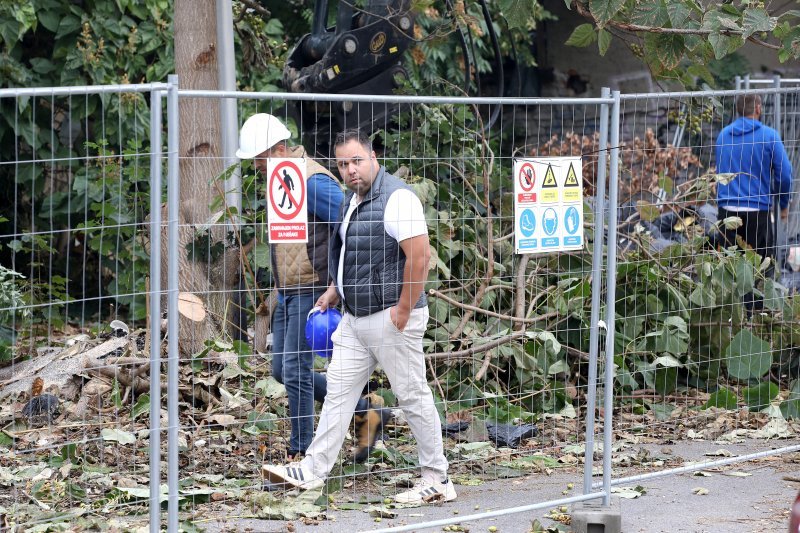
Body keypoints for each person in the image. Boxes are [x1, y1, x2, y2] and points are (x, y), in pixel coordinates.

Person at [262, 129, 456, 504]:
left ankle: (437, 478)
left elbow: (419, 257)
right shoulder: (352, 201)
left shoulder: (397, 197)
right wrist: (336, 289)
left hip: (390, 317)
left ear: (372, 157)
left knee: (412, 395)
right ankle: (313, 470)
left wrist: (402, 310)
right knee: (337, 394)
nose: (350, 170)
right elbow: (355, 254)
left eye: (356, 161)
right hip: (354, 318)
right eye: (343, 164)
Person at [236, 113, 344, 460]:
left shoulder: (311, 181)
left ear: (279, 148)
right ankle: (361, 409)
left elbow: (350, 222)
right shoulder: (285, 178)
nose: (256, 166)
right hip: (289, 291)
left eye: (259, 158)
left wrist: (337, 282)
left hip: (313, 287)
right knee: (281, 369)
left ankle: (303, 452)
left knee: (296, 369)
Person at [716, 93, 793, 263]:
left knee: (729, 271)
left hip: (727, 212)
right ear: (758, 108)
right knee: (760, 268)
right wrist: (783, 203)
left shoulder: (723, 136)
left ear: (738, 110)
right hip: (757, 212)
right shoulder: (769, 136)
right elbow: (785, 174)